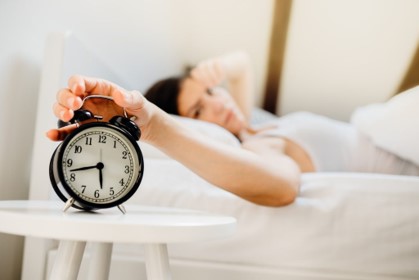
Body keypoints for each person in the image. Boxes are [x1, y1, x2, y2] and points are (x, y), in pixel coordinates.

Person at [47, 51, 419, 207]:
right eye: (198, 108)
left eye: (210, 93)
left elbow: (240, 65)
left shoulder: (255, 123)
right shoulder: (260, 145)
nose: (218, 103)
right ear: (190, 123)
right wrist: (156, 126)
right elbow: (281, 185)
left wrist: (217, 67)